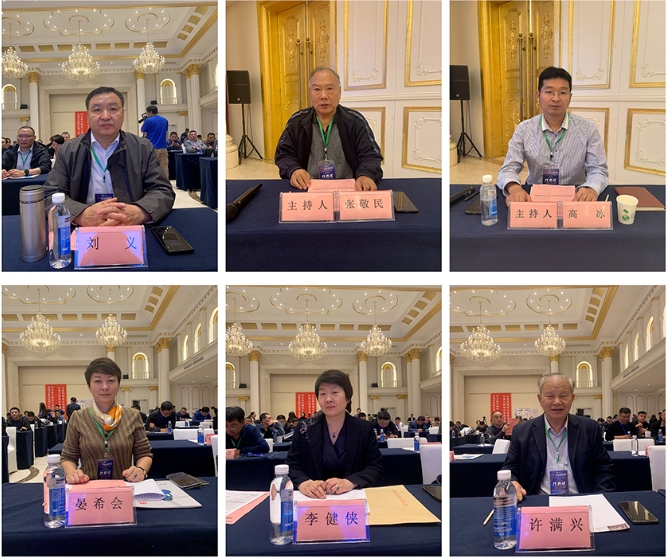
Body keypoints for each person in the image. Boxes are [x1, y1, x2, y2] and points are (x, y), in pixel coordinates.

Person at [43, 86, 175, 226]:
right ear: (88, 116)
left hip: (130, 227)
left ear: (122, 114)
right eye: (97, 110)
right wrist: (80, 214)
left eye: (112, 109)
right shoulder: (68, 150)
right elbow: (50, 194)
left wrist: (139, 212)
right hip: (84, 229)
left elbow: (162, 191)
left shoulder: (142, 147)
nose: (105, 116)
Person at [497, 67, 608, 206]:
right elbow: (508, 168)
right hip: (535, 198)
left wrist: (591, 188)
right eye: (549, 92)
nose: (556, 98)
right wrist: (514, 189)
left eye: (562, 92)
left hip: (575, 199)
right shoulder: (524, 129)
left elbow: (598, 169)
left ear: (570, 97)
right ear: (538, 96)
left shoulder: (587, 129)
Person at [502, 373, 615, 500]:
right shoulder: (522, 431)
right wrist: (512, 482)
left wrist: (598, 499)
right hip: (539, 501)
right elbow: (510, 469)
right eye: (550, 396)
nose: (557, 402)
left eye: (563, 396)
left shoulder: (589, 428)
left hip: (581, 500)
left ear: (572, 398)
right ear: (540, 399)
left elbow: (604, 469)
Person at [275, 66, 383, 192]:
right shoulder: (297, 121)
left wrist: (366, 174)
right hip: (307, 188)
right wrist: (294, 169)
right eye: (317, 89)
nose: (324, 96)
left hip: (348, 189)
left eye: (330, 89)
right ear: (310, 92)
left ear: (339, 91)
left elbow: (371, 155)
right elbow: (283, 154)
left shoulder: (355, 121)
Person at [286, 370, 382, 498]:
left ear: (348, 397)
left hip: (352, 497)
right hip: (313, 499)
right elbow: (292, 464)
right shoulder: (304, 428)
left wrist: (351, 482)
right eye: (322, 394)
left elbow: (374, 466)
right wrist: (303, 483)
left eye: (335, 392)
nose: (328, 399)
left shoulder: (364, 428)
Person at [61, 357, 152, 483]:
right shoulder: (78, 417)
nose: (105, 387)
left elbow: (144, 454)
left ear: (118, 385)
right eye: (98, 381)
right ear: (89, 386)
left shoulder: (133, 416)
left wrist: (140, 469)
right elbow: (68, 457)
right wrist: (72, 473)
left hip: (123, 486)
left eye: (110, 380)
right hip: (88, 486)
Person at [141, 105, 169, 177]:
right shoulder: (165, 120)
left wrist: (144, 122)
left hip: (152, 147)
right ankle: (165, 182)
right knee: (164, 167)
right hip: (163, 147)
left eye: (147, 113)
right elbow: (165, 130)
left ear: (150, 112)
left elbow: (142, 130)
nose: (147, 115)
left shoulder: (148, 120)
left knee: (152, 167)